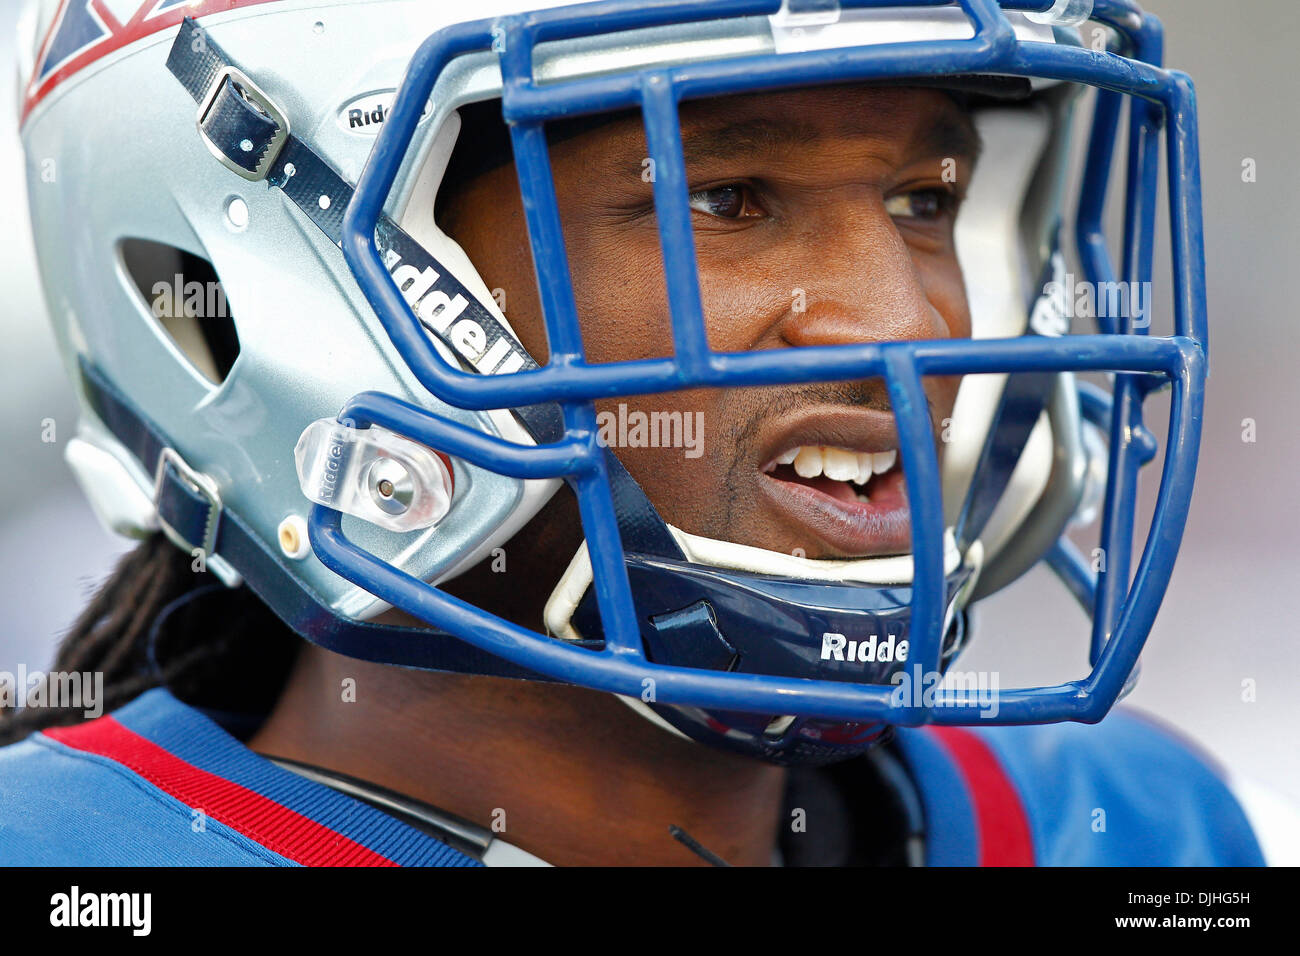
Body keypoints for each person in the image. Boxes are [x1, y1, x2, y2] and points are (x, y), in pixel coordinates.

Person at [0, 0, 1278, 865]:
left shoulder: (1123, 826)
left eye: (920, 197)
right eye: (726, 198)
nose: (897, 322)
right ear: (268, 271)